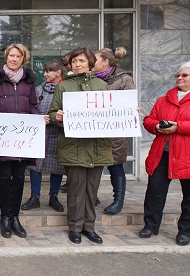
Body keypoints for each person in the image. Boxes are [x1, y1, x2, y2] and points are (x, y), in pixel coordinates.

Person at [48, 46, 113, 245]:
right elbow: (52, 113)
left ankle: (89, 227)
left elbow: (111, 111)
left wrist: (126, 111)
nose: (77, 64)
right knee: (76, 190)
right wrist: (57, 117)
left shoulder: (101, 86)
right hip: (72, 146)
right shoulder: (63, 86)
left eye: (82, 61)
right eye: (74, 61)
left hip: (97, 147)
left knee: (92, 190)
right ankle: (75, 227)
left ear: (90, 63)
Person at [0, 43, 38, 239]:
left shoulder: (28, 81)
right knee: (5, 178)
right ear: (6, 57)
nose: (14, 59)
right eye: (11, 55)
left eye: (18, 56)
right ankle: (5, 217)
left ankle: (15, 216)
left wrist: (39, 120)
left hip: (22, 139)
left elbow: (33, 106)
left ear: (24, 59)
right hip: (2, 138)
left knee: (20, 178)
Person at [140, 61, 190, 246]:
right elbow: (149, 120)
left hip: (187, 155)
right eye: (178, 75)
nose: (179, 78)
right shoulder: (164, 99)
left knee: (189, 196)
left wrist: (179, 127)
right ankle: (150, 226)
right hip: (163, 153)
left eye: (184, 75)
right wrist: (156, 126)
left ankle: (185, 231)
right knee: (155, 191)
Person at [93, 47, 135, 215]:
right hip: (94, 130)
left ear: (106, 62)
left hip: (114, 132)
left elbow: (129, 104)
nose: (91, 63)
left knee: (116, 166)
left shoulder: (124, 80)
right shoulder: (90, 78)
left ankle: (118, 200)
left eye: (95, 60)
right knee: (93, 166)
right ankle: (91, 196)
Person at [22, 59, 66, 212]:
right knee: (36, 165)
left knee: (57, 166)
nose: (45, 74)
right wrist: (38, 118)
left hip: (58, 133)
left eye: (49, 71)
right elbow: (31, 108)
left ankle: (54, 196)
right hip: (40, 133)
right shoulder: (39, 90)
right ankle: (35, 196)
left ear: (58, 72)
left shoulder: (65, 90)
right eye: (45, 71)